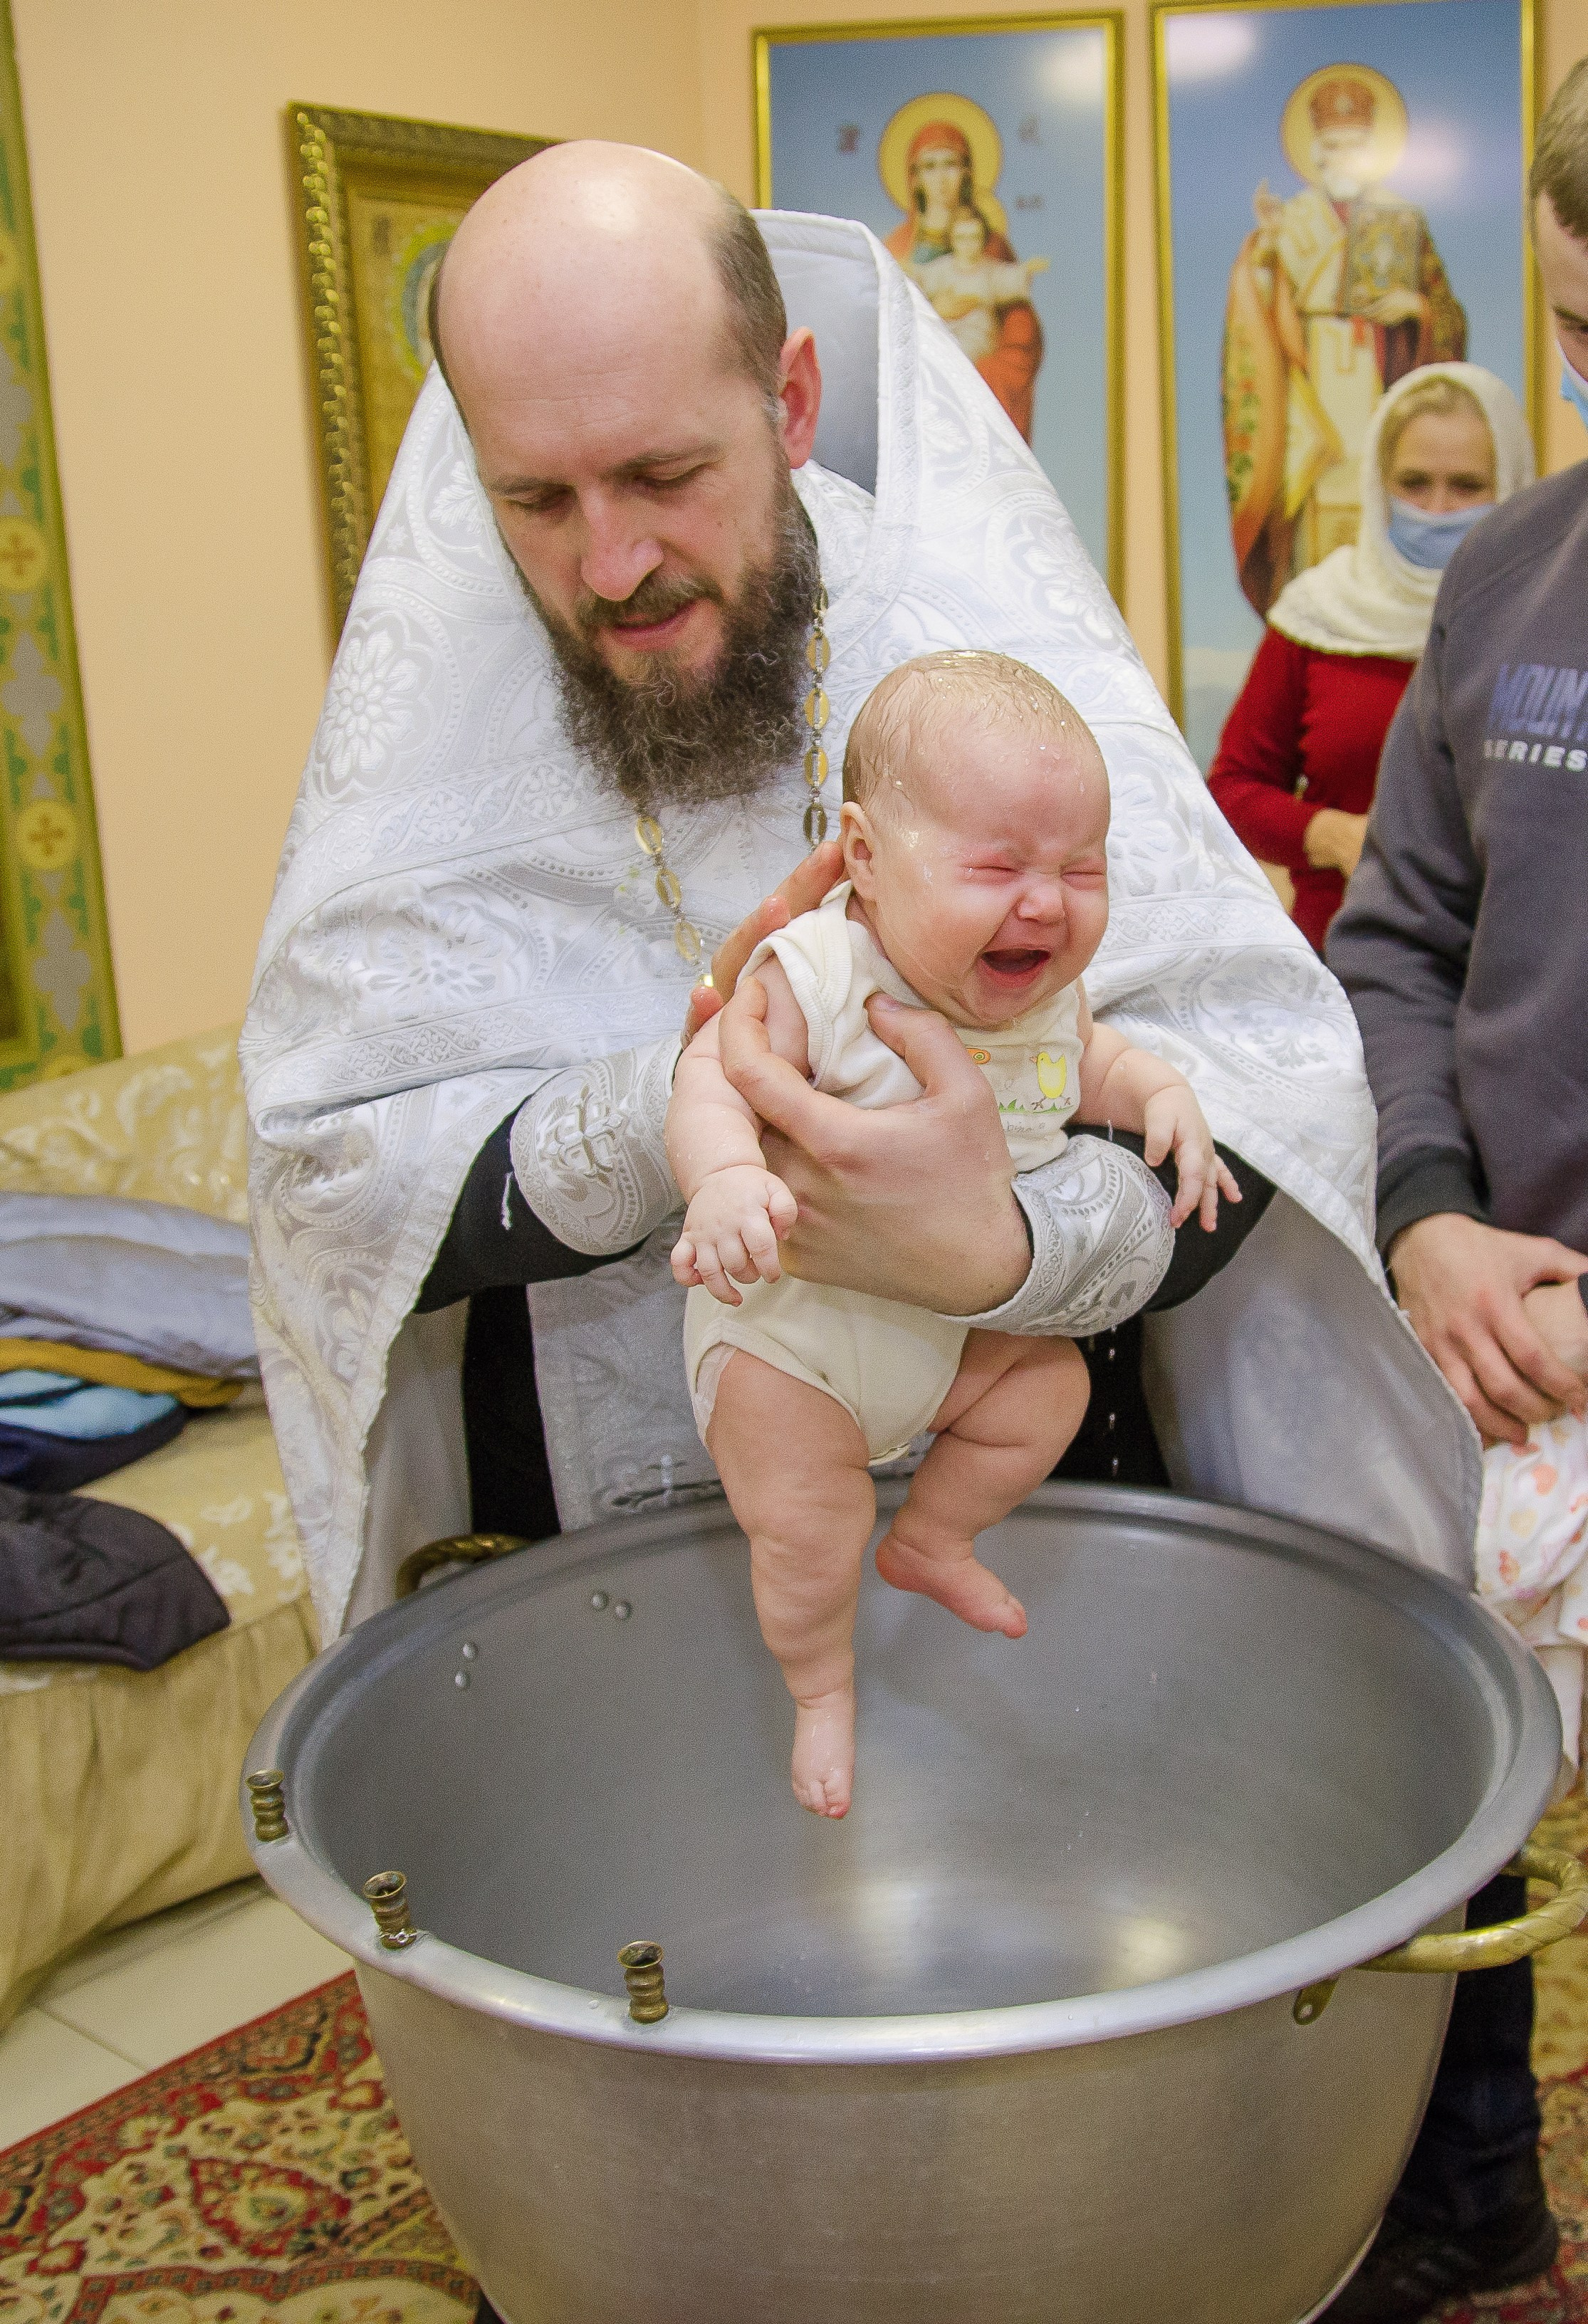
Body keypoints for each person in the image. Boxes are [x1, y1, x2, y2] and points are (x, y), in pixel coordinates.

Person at [242, 140, 1469, 1764]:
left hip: (1035, 1514)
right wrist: (671, 1118)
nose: (609, 567)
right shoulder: (433, 722)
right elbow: (334, 1184)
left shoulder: (992, 673)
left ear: (793, 399)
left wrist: (997, 1250)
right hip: (590, 1579)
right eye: (534, 498)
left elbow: (1260, 1095)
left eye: (665, 475)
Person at [669, 653, 1236, 1816]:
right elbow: (713, 1072)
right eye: (999, 866)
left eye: (1083, 867)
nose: (1047, 902)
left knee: (1048, 1392)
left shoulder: (1041, 999)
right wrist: (725, 1177)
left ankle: (931, 1533)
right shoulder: (823, 967)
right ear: (866, 859)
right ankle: (822, 1690)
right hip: (791, 1342)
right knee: (810, 1532)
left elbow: (1095, 1064)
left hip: (947, 1334)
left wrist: (1162, 1093)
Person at [1324, 56, 1588, 2324]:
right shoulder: (1503, 569)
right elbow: (1396, 931)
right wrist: (1418, 1203)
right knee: (1427, 1773)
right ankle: (1470, 2182)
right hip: (1482, 1325)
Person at [1208, 363, 1533, 952]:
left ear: (1510, 484)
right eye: (1413, 482)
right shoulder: (1318, 616)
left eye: (1466, 486)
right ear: (1377, 486)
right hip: (1341, 959)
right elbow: (1233, 788)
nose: (1437, 509)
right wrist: (1330, 835)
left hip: (1510, 969)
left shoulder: (1547, 618)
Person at [1225, 68, 1468, 614]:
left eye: (1355, 145)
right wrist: (1265, 246)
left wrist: (1418, 310)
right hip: (1315, 409)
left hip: (1381, 390)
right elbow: (1256, 313)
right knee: (1316, 518)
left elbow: (1449, 319)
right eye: (1333, 146)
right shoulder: (1292, 221)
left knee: (1379, 503)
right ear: (1315, 152)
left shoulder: (1402, 220)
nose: (1343, 156)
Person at [884, 121, 1045, 440]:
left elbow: (1021, 331)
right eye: (929, 167)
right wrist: (940, 311)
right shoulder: (897, 248)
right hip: (919, 388)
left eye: (951, 166)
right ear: (914, 178)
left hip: (977, 382)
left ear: (967, 173)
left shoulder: (993, 247)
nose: (941, 180)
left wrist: (984, 374)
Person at [905, 209, 1049, 365]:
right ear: (952, 239)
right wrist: (907, 269)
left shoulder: (990, 270)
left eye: (974, 237)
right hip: (946, 327)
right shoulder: (943, 267)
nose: (967, 244)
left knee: (963, 352)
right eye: (961, 238)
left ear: (983, 240)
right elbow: (922, 277)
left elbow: (1009, 278)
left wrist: (1028, 269)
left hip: (977, 332)